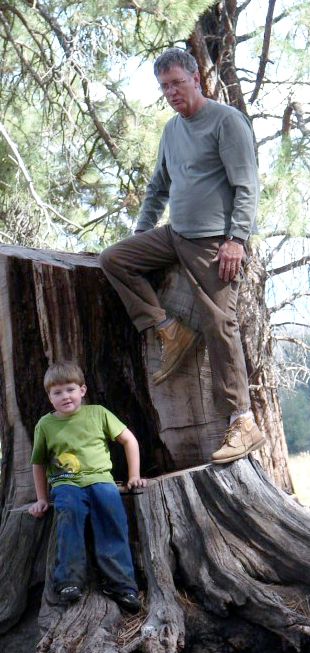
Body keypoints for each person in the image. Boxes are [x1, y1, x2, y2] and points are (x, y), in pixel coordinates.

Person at [99, 47, 265, 464]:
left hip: (214, 242)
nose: (171, 92)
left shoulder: (227, 121)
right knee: (114, 259)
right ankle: (167, 329)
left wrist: (236, 239)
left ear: (196, 79)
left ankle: (243, 421)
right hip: (175, 233)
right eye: (164, 87)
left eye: (176, 83)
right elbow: (157, 187)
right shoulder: (172, 130)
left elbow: (247, 186)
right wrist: (141, 233)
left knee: (218, 322)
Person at [29, 361, 147, 613]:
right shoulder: (46, 425)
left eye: (70, 389)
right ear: (49, 397)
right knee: (69, 514)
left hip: (101, 480)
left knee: (111, 516)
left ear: (83, 390)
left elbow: (129, 440)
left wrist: (134, 475)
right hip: (65, 483)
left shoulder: (98, 413)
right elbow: (38, 463)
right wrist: (41, 498)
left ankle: (122, 585)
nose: (65, 396)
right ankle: (69, 580)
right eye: (57, 392)